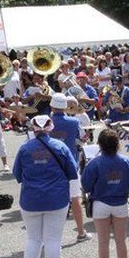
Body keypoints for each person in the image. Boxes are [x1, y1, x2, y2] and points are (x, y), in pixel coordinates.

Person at [13, 115, 78, 258]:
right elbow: (73, 172)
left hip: (31, 198)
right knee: (53, 240)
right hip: (56, 198)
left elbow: (17, 174)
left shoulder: (25, 147)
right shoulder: (60, 146)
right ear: (50, 128)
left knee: (33, 239)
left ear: (33, 129)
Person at [81, 129, 129, 258]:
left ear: (100, 144)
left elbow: (86, 186)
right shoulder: (126, 162)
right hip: (120, 202)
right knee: (121, 240)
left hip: (100, 203)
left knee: (103, 241)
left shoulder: (94, 163)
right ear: (117, 144)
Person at [49, 93, 92, 242]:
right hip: (70, 164)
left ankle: (51, 237)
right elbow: (81, 138)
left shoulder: (45, 122)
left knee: (52, 200)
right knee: (75, 199)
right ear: (65, 107)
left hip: (51, 166)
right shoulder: (73, 121)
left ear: (52, 106)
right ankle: (81, 232)